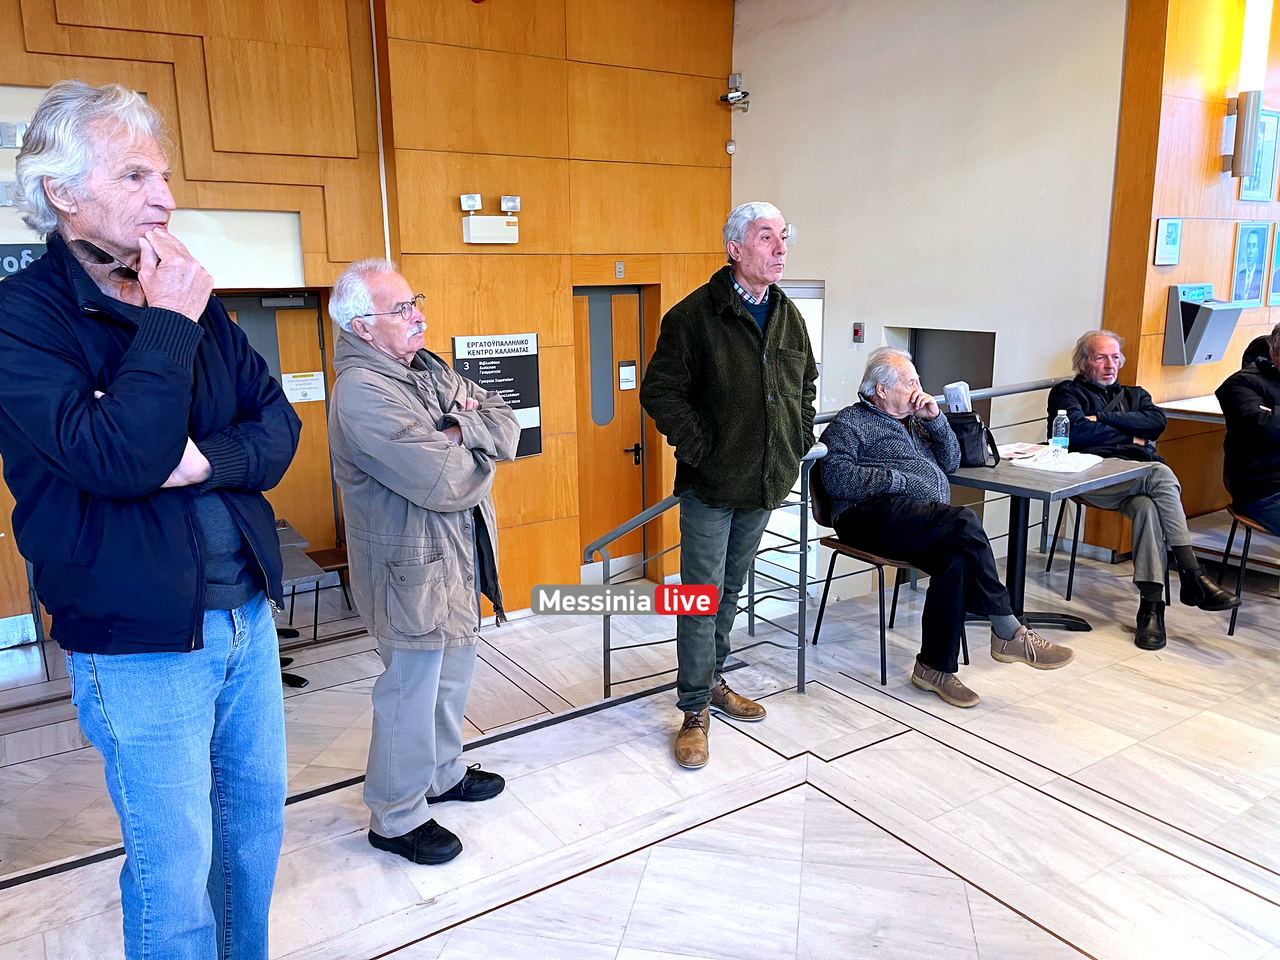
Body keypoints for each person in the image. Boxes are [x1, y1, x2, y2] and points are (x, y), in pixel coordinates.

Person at [0, 81, 301, 959]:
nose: (165, 197)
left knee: (250, 841)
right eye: (136, 175)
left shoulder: (193, 300)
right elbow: (117, 459)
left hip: (245, 617)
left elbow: (277, 426)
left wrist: (206, 461)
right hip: (137, 643)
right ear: (62, 193)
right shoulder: (22, 320)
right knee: (174, 873)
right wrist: (168, 323)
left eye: (164, 175)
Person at [327, 259, 519, 865]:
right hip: (408, 570)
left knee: (451, 678)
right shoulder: (363, 391)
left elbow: (507, 422)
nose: (419, 317)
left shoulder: (427, 367)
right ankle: (396, 815)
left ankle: (443, 773)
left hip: (453, 559)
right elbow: (446, 480)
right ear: (362, 327)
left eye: (416, 302)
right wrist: (471, 440)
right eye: (402, 309)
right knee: (409, 693)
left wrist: (456, 429)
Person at [640, 200, 817, 768]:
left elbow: (805, 384)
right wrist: (700, 448)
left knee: (730, 591)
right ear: (735, 249)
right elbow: (659, 392)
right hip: (711, 486)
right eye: (766, 237)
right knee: (700, 597)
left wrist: (794, 440)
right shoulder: (692, 317)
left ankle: (713, 679)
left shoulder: (787, 314)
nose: (780, 248)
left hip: (764, 483)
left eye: (783, 236)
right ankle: (693, 710)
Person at [819, 348, 1074, 708]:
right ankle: (1007, 627)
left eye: (918, 381)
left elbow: (952, 461)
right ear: (881, 390)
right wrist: (896, 480)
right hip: (865, 515)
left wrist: (936, 419)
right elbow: (835, 477)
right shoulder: (851, 422)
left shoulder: (916, 422)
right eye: (910, 383)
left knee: (954, 560)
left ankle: (933, 668)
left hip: (912, 517)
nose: (919, 389)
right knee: (964, 520)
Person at [1046, 330, 1239, 650]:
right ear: (1083, 363)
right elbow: (1075, 431)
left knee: (1148, 507)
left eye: (1115, 357)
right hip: (1092, 475)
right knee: (1161, 474)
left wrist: (1102, 419)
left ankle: (1152, 607)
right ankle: (1192, 573)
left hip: (1136, 476)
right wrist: (1129, 436)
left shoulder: (1136, 395)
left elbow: (1156, 423)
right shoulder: (1067, 393)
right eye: (1100, 358)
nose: (1110, 365)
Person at [1217, 322, 1280, 534]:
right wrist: (1270, 419)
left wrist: (1275, 413)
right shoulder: (1240, 385)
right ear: (1274, 354)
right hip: (1264, 492)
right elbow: (1263, 428)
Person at [1235, 229, 1266, 302]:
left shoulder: (1261, 277)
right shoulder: (1239, 276)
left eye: (1253, 246)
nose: (1250, 251)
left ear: (1257, 250)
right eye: (1249, 246)